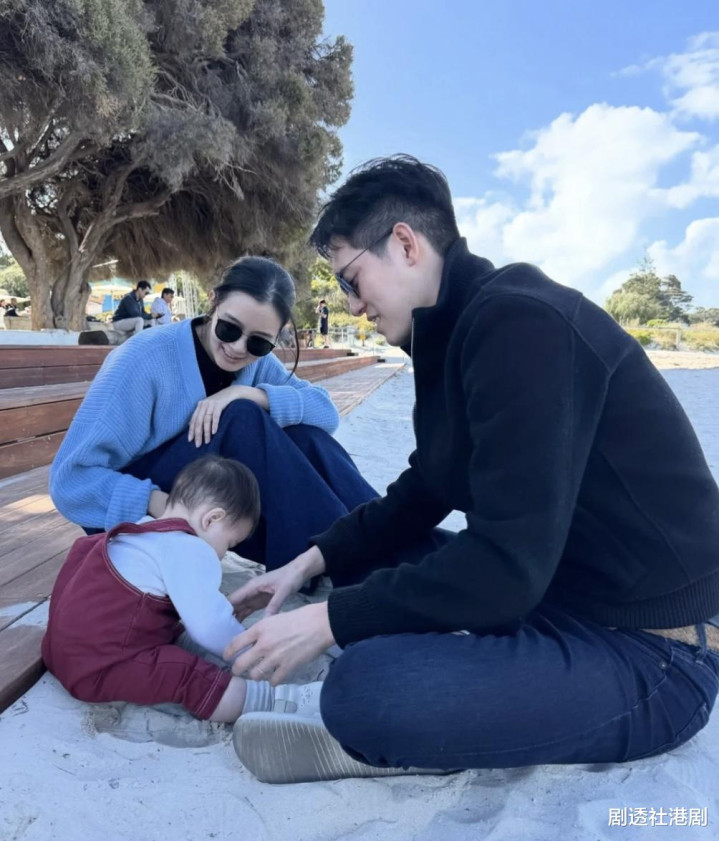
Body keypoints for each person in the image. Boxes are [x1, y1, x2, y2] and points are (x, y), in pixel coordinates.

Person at [226, 155, 719, 784]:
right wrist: (310, 561)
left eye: (352, 280)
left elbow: (506, 566)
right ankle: (453, 702)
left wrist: (328, 620)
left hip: (657, 647)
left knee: (363, 690)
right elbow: (426, 488)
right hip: (555, 593)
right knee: (363, 560)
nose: (352, 306)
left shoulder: (523, 322)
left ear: (405, 244)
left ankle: (408, 730)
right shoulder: (450, 332)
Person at [50, 256, 379, 571]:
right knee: (241, 418)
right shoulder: (144, 358)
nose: (238, 348)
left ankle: (389, 532)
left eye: (259, 343)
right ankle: (347, 559)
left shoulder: (257, 364)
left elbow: (325, 413)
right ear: (213, 302)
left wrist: (247, 392)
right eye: (229, 329)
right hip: (137, 512)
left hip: (209, 503)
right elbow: (70, 482)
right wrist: (167, 506)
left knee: (303, 434)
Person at [43, 455, 325, 723]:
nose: (223, 555)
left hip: (62, 654)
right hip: (102, 667)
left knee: (164, 624)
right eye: (229, 544)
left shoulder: (142, 530)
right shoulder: (189, 548)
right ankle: (273, 701)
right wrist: (254, 654)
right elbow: (211, 627)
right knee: (187, 675)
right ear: (211, 519)